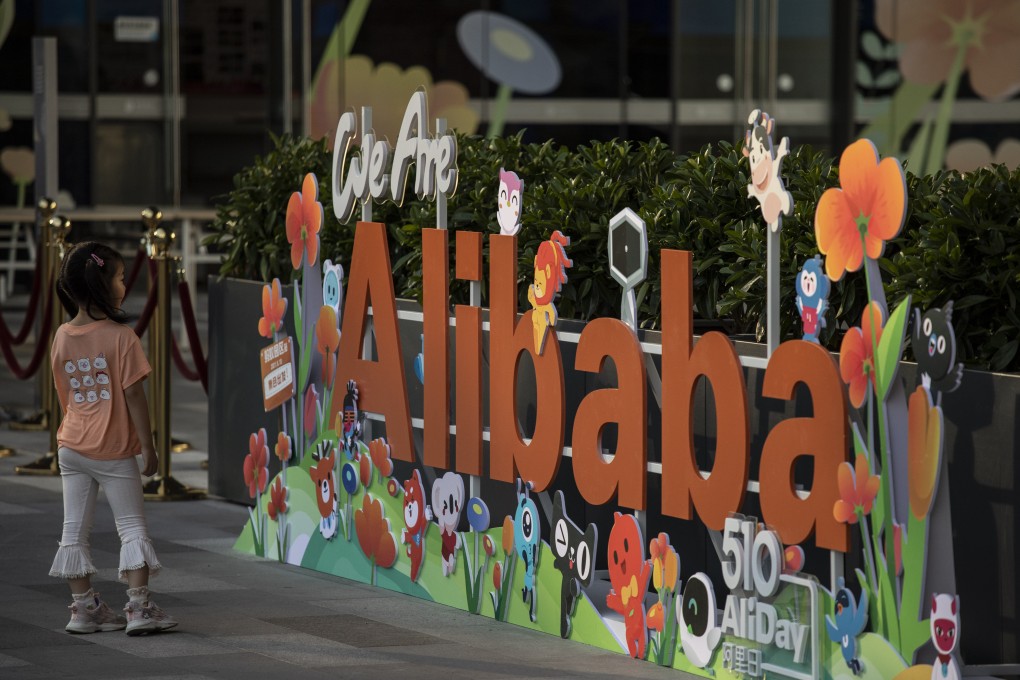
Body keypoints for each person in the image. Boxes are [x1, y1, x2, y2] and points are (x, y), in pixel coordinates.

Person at [47, 242, 177, 636]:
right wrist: (149, 446)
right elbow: (135, 396)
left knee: (74, 530)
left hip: (72, 446)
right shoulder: (123, 338)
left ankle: (84, 610)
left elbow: (64, 392)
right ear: (104, 284)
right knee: (132, 527)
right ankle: (138, 609)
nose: (125, 283)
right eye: (121, 277)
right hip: (114, 449)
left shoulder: (63, 335)